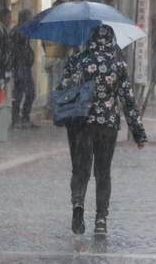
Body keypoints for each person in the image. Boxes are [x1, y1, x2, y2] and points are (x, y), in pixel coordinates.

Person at [58, 25, 148, 236]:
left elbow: (62, 90)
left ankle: (78, 204)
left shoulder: (77, 61)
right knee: (103, 172)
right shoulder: (117, 65)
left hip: (80, 123)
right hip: (107, 125)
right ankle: (100, 219)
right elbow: (127, 100)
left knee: (80, 169)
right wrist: (139, 133)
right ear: (111, 42)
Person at [10, 9, 38, 129]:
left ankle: (25, 117)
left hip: (25, 66)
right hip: (19, 66)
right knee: (19, 93)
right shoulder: (18, 31)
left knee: (30, 93)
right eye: (28, 17)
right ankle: (16, 118)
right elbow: (16, 50)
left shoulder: (24, 31)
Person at [42, 0, 69, 118]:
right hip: (58, 58)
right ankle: (55, 110)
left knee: (49, 85)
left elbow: (43, 42)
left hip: (48, 57)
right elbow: (66, 40)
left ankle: (48, 108)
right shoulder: (61, 22)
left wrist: (48, 52)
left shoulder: (48, 22)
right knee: (56, 85)